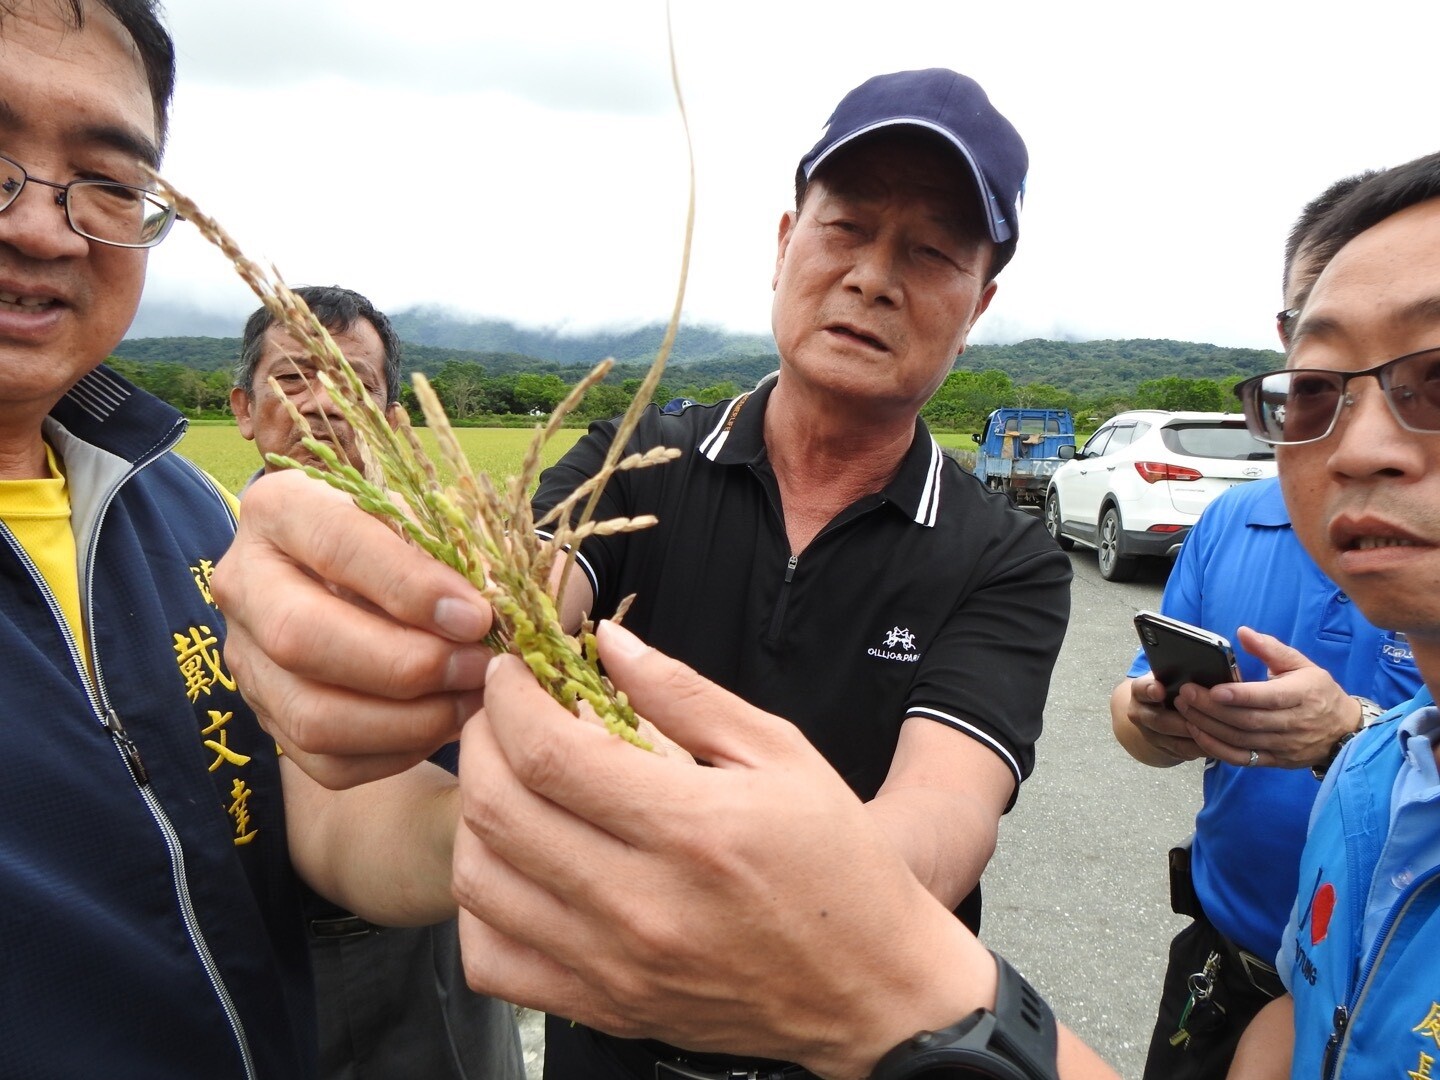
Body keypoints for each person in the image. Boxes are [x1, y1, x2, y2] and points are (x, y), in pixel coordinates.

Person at [213, 67, 1073, 1080]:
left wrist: (728, 891)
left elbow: (938, 827)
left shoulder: (1005, 556)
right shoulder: (638, 457)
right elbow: (516, 600)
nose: (874, 277)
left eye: (931, 251)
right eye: (846, 228)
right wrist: (372, 608)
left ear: (980, 303)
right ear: (785, 240)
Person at [0, 3, 461, 1074]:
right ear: (244, 401)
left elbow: (330, 815)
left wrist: (524, 805)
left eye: (108, 181)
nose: (41, 225)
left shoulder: (186, 515)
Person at [1107, 173, 1423, 1080]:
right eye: (1321, 337)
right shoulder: (1228, 523)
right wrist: (1151, 714)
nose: (1365, 443)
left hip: (1400, 1001)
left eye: (1425, 373)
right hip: (1224, 963)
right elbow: (1133, 727)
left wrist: (1347, 735)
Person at [232, 285, 524, 1080]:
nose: (323, 404)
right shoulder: (207, 558)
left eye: (357, 386)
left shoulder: (452, 552)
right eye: (293, 379)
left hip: (447, 906)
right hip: (292, 932)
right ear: (244, 410)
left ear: (394, 423)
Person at [1221, 150, 1440, 1077]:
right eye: (1316, 389)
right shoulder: (1370, 783)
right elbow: (1309, 1014)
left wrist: (923, 999)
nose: (1360, 448)